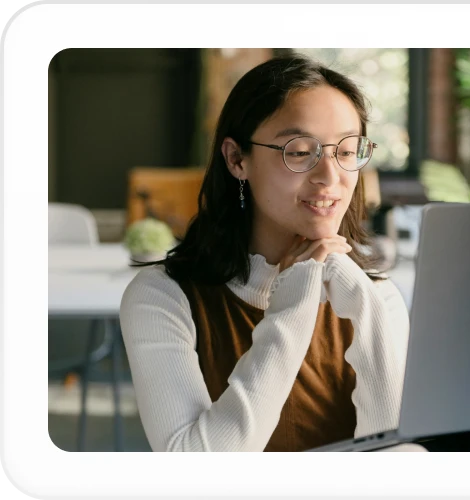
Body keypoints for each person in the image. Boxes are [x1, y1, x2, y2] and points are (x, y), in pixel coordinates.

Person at [119, 55, 410, 452]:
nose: (330, 177)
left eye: (346, 151)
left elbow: (394, 459)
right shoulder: (162, 296)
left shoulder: (377, 296)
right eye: (299, 150)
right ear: (237, 159)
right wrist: (296, 296)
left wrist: (364, 304)